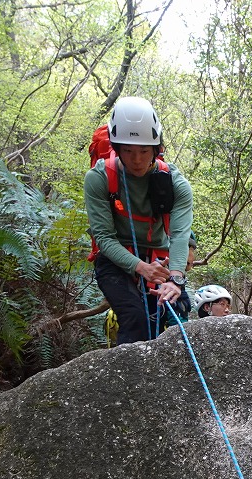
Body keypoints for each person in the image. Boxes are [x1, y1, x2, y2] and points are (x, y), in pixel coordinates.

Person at [85, 96, 193, 345]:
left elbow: (180, 234)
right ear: (116, 148)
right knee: (135, 318)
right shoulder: (99, 179)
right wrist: (140, 268)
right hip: (114, 260)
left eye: (144, 151)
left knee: (171, 316)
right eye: (128, 151)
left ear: (156, 149)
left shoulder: (176, 184)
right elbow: (103, 238)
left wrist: (175, 278)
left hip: (159, 259)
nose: (136, 160)